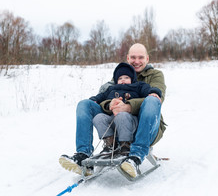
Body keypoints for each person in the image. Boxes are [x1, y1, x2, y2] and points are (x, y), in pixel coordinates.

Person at [59, 43, 167, 178]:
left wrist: (128, 106)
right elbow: (104, 96)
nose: (137, 61)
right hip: (118, 125)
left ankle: (137, 155)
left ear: (147, 58)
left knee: (152, 100)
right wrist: (111, 104)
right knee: (84, 104)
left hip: (146, 127)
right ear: (128, 58)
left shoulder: (155, 75)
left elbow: (158, 97)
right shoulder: (120, 75)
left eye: (141, 57)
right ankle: (83, 155)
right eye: (133, 57)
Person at [90, 62, 162, 156]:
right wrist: (94, 100)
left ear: (132, 79)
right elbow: (101, 96)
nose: (123, 80)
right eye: (120, 78)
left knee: (122, 115)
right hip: (113, 120)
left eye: (126, 78)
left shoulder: (138, 86)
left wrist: (154, 92)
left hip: (131, 121)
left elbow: (148, 90)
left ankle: (125, 145)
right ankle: (110, 144)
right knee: (98, 118)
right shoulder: (111, 89)